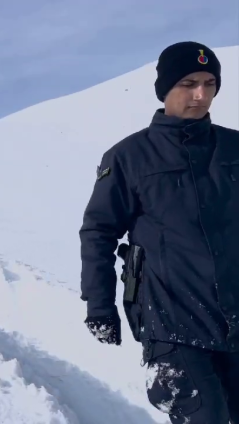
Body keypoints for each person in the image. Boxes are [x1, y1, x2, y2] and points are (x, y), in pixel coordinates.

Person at [79, 41, 239, 423]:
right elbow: (99, 232)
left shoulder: (234, 147)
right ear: (165, 89)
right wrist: (100, 307)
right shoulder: (130, 157)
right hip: (174, 324)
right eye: (188, 83)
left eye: (209, 83)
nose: (200, 94)